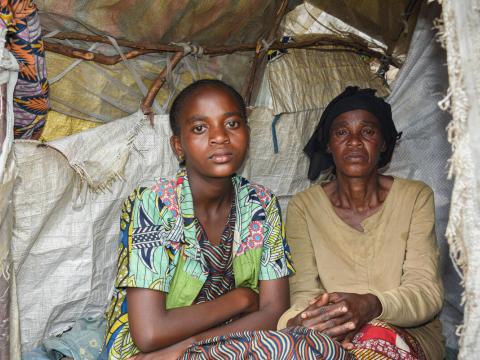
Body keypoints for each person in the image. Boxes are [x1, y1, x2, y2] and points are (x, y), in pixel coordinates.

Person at [103, 79, 351, 360]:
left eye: (232, 124)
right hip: (145, 353)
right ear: (178, 145)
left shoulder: (261, 203)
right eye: (199, 128)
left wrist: (188, 347)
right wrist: (241, 298)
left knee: (326, 349)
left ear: (247, 132)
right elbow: (149, 333)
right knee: (288, 348)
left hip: (223, 343)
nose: (219, 137)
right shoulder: (155, 203)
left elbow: (274, 312)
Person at [278, 86, 444, 359]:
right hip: (332, 332)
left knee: (373, 339)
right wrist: (303, 322)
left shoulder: (414, 197)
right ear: (329, 145)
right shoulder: (304, 207)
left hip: (409, 332)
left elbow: (425, 290)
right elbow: (303, 292)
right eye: (342, 132)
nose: (354, 141)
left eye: (367, 131)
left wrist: (371, 305)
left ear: (384, 143)